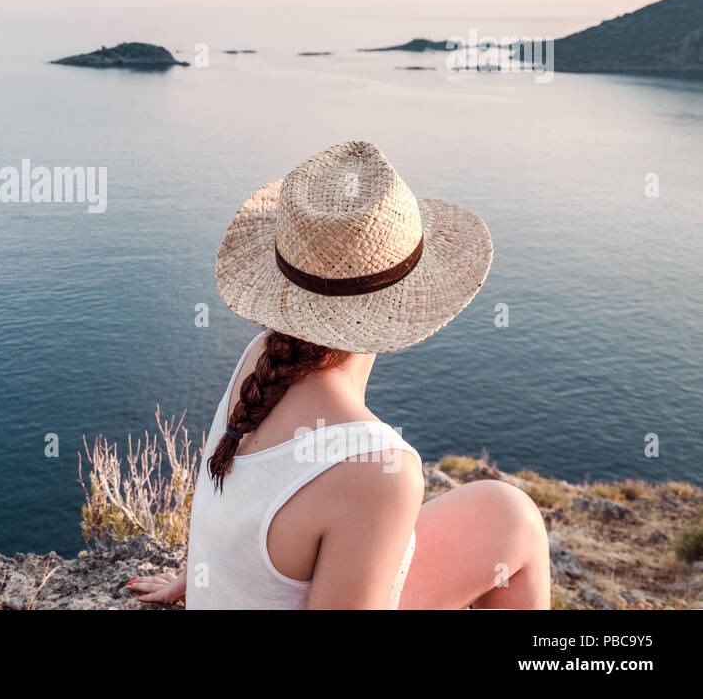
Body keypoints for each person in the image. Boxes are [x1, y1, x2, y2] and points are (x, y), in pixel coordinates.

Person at [128, 141, 549, 609]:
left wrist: (213, 575)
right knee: (518, 524)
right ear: (405, 304)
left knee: (507, 513)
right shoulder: (376, 469)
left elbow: (250, 499)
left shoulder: (259, 359)